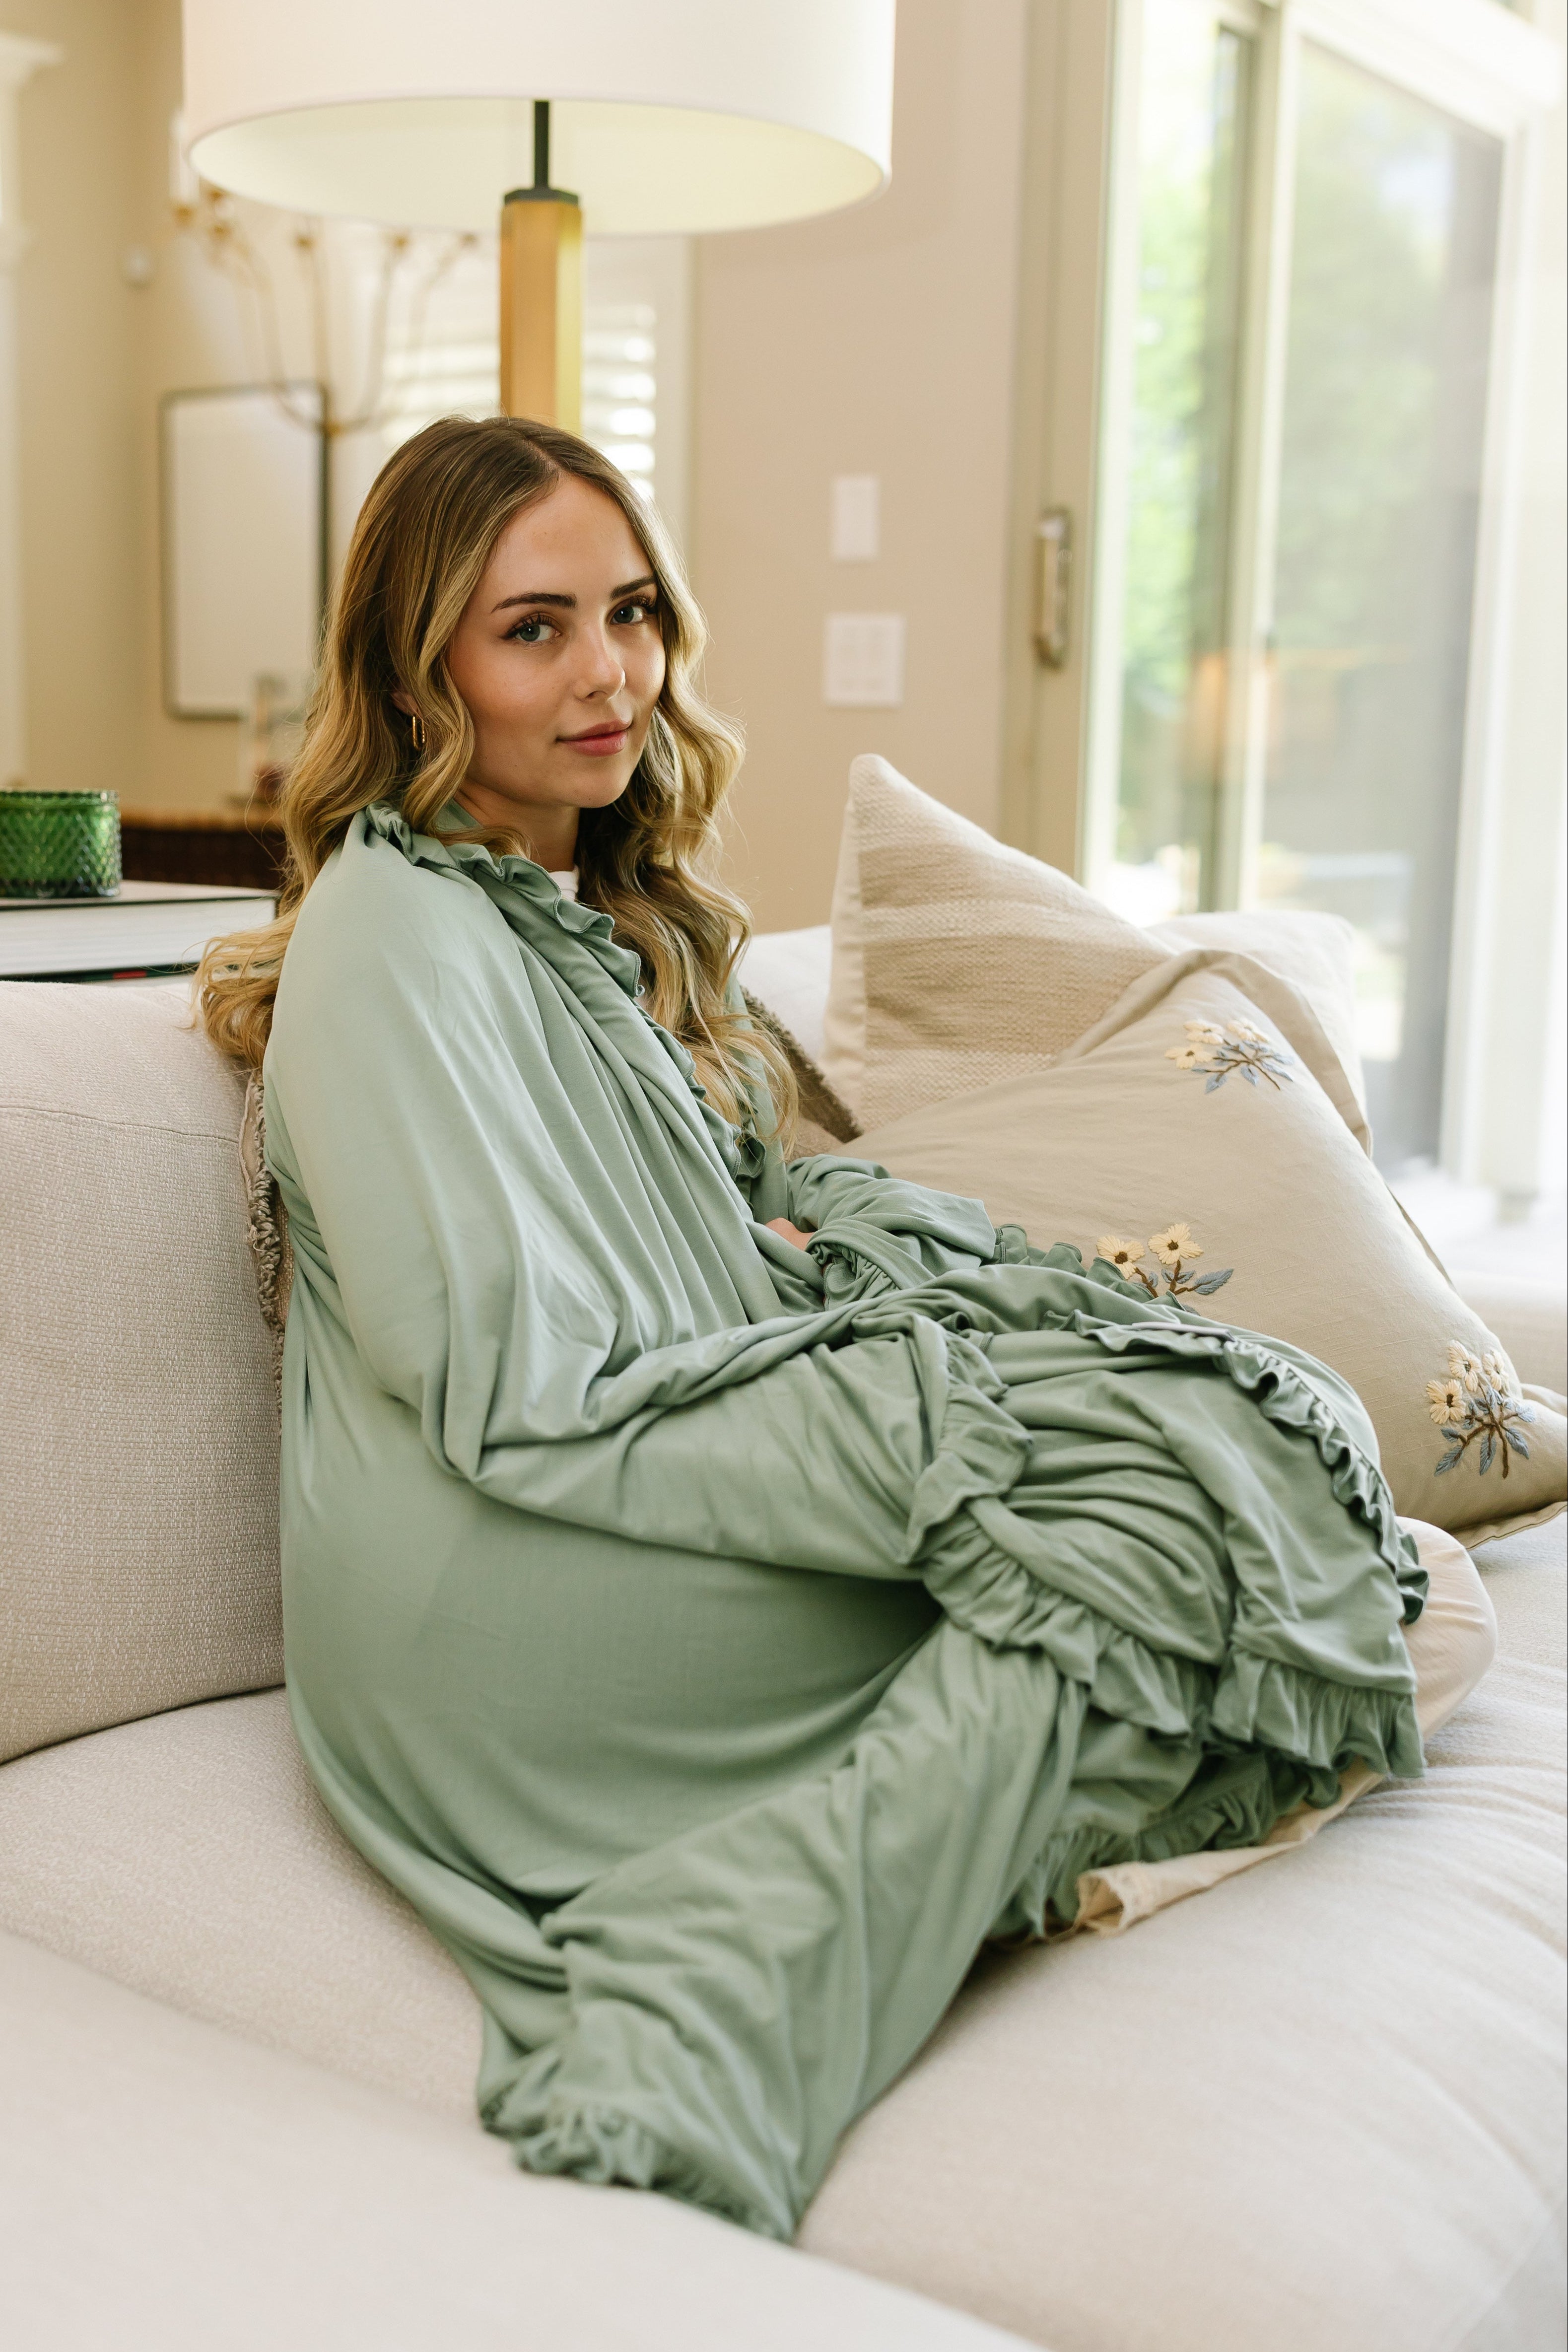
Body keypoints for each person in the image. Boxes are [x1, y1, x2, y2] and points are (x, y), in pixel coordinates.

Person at [199, 416, 1427, 2241]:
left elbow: (734, 1223)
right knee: (1147, 1509)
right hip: (498, 1558)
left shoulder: (569, 911)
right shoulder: (396, 934)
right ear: (420, 660)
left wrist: (850, 1291)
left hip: (624, 1442)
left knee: (1222, 1472)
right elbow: (520, 1387)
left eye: (629, 611)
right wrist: (924, 1440)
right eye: (533, 628)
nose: (609, 673)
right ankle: (754, 1944)